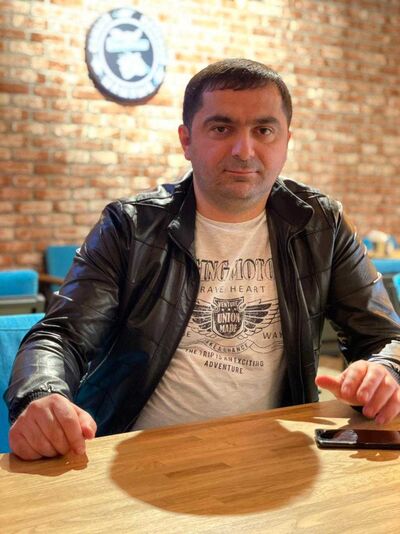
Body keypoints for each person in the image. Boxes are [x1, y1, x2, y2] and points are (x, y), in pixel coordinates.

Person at [5, 58, 400, 461]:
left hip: (274, 455)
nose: (244, 150)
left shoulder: (321, 223)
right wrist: (41, 394)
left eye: (263, 130)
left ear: (286, 141)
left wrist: (385, 372)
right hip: (141, 454)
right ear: (187, 140)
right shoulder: (130, 226)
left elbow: (385, 337)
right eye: (221, 128)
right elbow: (60, 336)